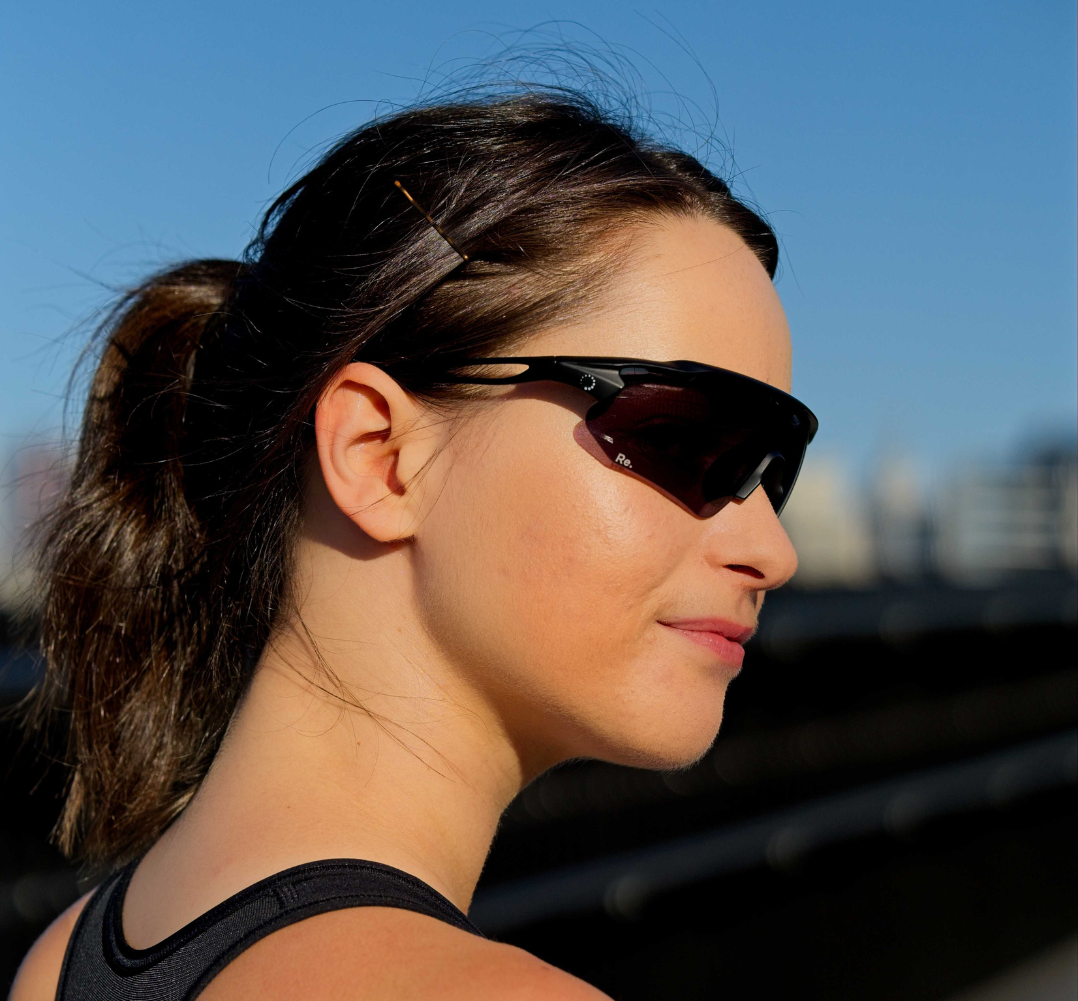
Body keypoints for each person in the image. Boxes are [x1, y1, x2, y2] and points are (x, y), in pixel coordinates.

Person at [11, 89, 815, 1000]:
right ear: (379, 456)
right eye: (681, 438)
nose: (771, 549)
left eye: (769, 468)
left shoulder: (63, 963)